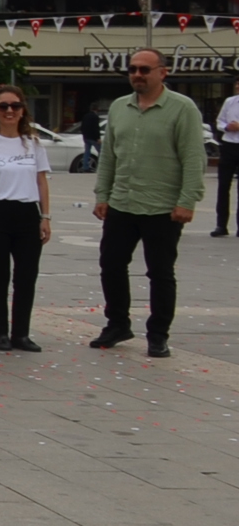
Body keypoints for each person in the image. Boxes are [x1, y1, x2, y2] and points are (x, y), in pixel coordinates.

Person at [90, 47, 204, 357]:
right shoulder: (119, 107)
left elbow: (193, 158)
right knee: (111, 264)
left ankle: (158, 334)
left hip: (163, 207)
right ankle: (117, 324)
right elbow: (109, 156)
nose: (137, 75)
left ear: (163, 73)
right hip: (122, 203)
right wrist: (103, 195)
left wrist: (187, 201)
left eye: (144, 69)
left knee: (160, 273)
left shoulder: (182, 108)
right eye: (133, 69)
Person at [0, 84, 51, 353]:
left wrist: (45, 216)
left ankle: (21, 333)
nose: (9, 111)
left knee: (26, 276)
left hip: (27, 213)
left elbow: (41, 181)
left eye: (15, 106)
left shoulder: (33, 144)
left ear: (22, 110)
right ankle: (1, 332)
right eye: (3, 106)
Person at [213, 77, 239, 236]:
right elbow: (219, 121)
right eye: (237, 83)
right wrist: (227, 127)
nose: (237, 86)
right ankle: (221, 225)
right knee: (223, 186)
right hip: (229, 145)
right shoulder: (230, 101)